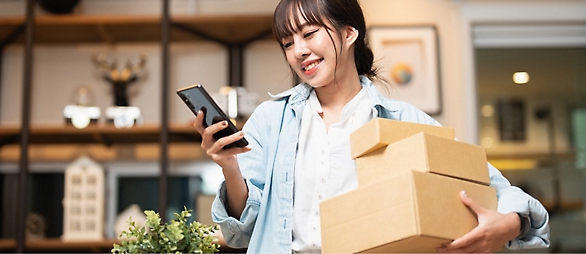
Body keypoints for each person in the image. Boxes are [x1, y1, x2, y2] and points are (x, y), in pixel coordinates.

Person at [192, 0, 550, 252]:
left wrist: (511, 225)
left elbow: (496, 189)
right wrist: (229, 166)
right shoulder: (271, 120)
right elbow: (241, 232)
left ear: (348, 33)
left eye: (310, 34)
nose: (298, 51)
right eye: (288, 42)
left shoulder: (404, 120)